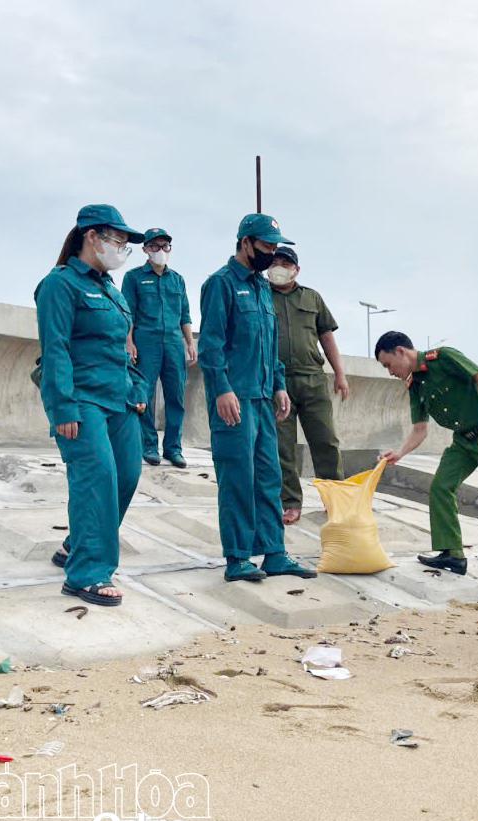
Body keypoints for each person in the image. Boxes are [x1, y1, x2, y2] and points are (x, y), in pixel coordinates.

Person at [35, 204, 148, 606]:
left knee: (127, 477)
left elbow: (125, 347)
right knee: (96, 478)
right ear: (91, 236)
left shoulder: (110, 290)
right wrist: (62, 407)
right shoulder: (60, 285)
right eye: (116, 239)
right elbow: (56, 349)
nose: (121, 248)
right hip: (82, 401)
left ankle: (75, 543)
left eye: (123, 243)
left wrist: (137, 388)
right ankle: (87, 573)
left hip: (119, 400)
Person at [197, 214, 315, 582]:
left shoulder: (263, 289)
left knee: (269, 475)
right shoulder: (221, 284)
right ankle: (237, 557)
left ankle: (275, 552)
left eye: (275, 246)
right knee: (237, 477)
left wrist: (279, 384)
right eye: (265, 246)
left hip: (264, 397)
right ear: (245, 243)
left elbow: (270, 344)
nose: (271, 253)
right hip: (234, 398)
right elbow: (211, 345)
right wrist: (222, 389)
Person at [375, 332, 478, 591]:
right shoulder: (415, 385)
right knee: (441, 487)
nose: (389, 372)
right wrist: (400, 453)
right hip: (463, 441)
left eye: (388, 365)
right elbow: (420, 429)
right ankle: (453, 554)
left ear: (400, 352)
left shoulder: (444, 358)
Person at [267, 246, 349, 525]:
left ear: (296, 270)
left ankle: (335, 499)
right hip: (277, 381)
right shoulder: (261, 295)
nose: (279, 266)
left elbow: (326, 337)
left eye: (285, 263)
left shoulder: (312, 298)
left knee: (325, 441)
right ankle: (290, 502)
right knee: (283, 446)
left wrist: (340, 373)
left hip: (313, 379)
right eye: (275, 261)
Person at [121, 227, 196, 468]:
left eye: (164, 246)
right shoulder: (133, 278)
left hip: (174, 342)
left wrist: (189, 342)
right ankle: (148, 445)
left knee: (176, 395)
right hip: (146, 340)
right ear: (145, 249)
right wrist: (129, 342)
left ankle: (173, 448)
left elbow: (184, 314)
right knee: (144, 394)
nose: (160, 251)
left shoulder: (178, 279)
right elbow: (127, 313)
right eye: (154, 246)